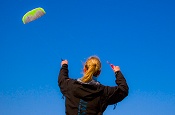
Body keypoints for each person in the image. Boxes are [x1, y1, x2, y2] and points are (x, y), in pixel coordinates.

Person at [58, 56, 129, 115]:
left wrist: (64, 65)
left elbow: (62, 78)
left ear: (84, 69)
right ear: (99, 72)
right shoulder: (104, 92)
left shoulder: (70, 86)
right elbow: (123, 89)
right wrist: (117, 72)